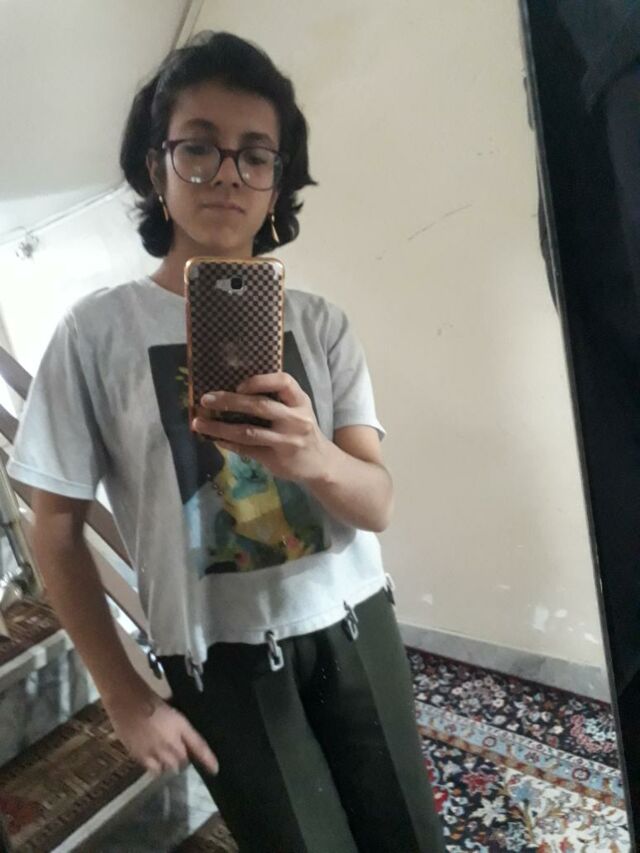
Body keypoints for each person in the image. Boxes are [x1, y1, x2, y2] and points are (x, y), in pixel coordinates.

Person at [7, 32, 445, 852]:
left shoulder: (321, 325)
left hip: (357, 628)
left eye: (255, 155)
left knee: (410, 837)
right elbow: (53, 526)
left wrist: (312, 456)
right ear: (157, 166)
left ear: (278, 180)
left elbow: (376, 503)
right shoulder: (96, 335)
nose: (228, 175)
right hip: (221, 662)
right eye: (199, 147)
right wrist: (125, 694)